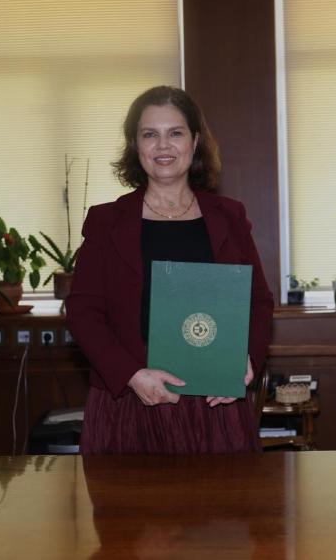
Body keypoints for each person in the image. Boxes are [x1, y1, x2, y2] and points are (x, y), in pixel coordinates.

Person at [66, 86, 274, 454]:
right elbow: (83, 312)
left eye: (175, 133)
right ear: (136, 145)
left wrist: (246, 359)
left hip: (214, 404)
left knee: (226, 495)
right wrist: (131, 376)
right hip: (129, 402)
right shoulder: (106, 221)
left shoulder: (229, 216)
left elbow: (258, 302)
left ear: (195, 141)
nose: (163, 145)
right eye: (150, 134)